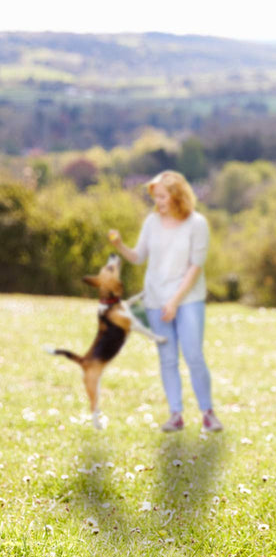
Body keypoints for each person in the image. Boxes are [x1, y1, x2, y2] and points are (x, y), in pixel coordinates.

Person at [109, 170, 223, 433]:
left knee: (194, 355)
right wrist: (120, 245)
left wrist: (174, 301)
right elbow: (138, 257)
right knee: (167, 359)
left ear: (176, 195)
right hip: (155, 300)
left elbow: (195, 267)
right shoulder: (152, 222)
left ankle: (208, 413)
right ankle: (175, 415)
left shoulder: (197, 224)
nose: (157, 201)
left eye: (162, 196)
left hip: (188, 299)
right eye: (155, 196)